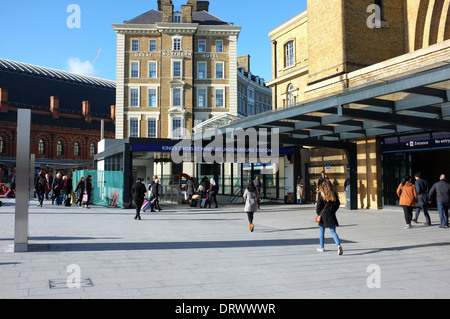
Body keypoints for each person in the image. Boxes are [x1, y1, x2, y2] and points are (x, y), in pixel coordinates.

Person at [316, 179, 342, 255]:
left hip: (323, 215)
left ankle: (322, 247)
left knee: (321, 231)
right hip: (331, 214)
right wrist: (333, 210)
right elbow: (338, 204)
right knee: (333, 232)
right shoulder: (334, 194)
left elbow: (318, 207)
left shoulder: (321, 194)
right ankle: (338, 245)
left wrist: (319, 213)